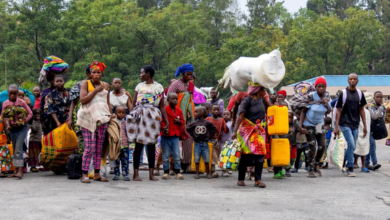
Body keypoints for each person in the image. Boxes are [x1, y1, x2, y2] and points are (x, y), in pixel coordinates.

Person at [127, 65, 169, 181]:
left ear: (148, 74)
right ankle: (136, 174)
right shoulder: (139, 86)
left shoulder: (158, 87)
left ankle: (151, 174)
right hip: (139, 114)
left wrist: (166, 122)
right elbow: (134, 102)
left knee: (151, 144)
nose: (140, 75)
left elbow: (162, 106)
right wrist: (130, 116)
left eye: (142, 73)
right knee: (138, 144)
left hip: (153, 116)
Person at [77, 62, 113, 184]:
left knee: (99, 148)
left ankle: (97, 173)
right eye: (94, 72)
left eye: (99, 72)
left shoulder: (105, 85)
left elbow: (107, 102)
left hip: (102, 119)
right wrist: (96, 90)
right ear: (90, 74)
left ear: (102, 74)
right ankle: (84, 174)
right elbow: (83, 100)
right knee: (89, 147)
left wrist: (109, 115)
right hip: (88, 118)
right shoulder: (85, 84)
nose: (96, 75)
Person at [232, 82, 271, 188]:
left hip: (258, 131)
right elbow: (240, 116)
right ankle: (241, 179)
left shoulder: (262, 100)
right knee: (245, 155)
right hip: (246, 131)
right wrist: (234, 131)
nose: (265, 92)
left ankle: (258, 180)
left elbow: (270, 110)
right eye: (264, 90)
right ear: (258, 90)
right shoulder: (246, 100)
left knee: (260, 155)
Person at [334, 73, 367, 177]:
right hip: (344, 123)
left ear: (357, 81)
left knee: (351, 147)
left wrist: (365, 125)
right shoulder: (343, 93)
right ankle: (350, 168)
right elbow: (338, 110)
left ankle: (344, 162)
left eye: (355, 79)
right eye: (351, 79)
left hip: (355, 123)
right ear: (348, 81)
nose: (353, 81)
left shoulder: (360, 93)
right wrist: (336, 126)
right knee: (352, 144)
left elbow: (361, 109)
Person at [299, 77, 331, 178]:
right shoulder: (311, 96)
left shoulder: (327, 96)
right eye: (319, 86)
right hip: (308, 123)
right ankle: (311, 169)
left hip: (319, 124)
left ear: (325, 87)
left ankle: (316, 164)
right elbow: (303, 111)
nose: (321, 88)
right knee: (312, 146)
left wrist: (326, 104)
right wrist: (300, 126)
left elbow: (328, 111)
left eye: (323, 86)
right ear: (315, 87)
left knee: (322, 146)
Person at [1, 84, 33, 179]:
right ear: (8, 94)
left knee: (18, 148)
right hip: (12, 129)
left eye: (15, 94)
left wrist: (23, 121)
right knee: (15, 149)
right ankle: (16, 170)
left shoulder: (22, 102)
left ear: (17, 93)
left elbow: (30, 113)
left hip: (22, 128)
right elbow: (3, 116)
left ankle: (20, 171)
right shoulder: (5, 103)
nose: (13, 96)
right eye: (11, 94)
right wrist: (7, 124)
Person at [168, 63, 195, 171]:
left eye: (191, 75)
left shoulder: (191, 85)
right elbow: (169, 99)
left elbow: (190, 99)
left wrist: (190, 111)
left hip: (188, 115)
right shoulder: (175, 84)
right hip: (176, 115)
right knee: (174, 139)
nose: (189, 77)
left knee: (188, 138)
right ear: (183, 74)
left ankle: (186, 163)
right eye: (187, 74)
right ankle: (173, 164)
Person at [39, 56, 69, 135]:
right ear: (51, 81)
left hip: (66, 120)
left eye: (61, 81)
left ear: (64, 82)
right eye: (55, 80)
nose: (59, 83)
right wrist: (42, 120)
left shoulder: (68, 92)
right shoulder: (48, 92)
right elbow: (42, 106)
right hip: (50, 120)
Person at [186, 106, 217, 179]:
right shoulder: (194, 123)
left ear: (202, 113)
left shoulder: (207, 123)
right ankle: (197, 173)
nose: (195, 113)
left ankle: (208, 173)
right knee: (197, 159)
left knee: (206, 159)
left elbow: (214, 129)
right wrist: (193, 135)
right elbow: (187, 128)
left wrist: (210, 135)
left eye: (196, 112)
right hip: (196, 143)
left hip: (205, 143)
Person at [160, 93, 185, 180]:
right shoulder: (164, 110)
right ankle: (166, 172)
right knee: (166, 155)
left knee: (177, 154)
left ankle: (177, 172)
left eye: (176, 99)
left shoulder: (179, 111)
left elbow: (182, 121)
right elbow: (161, 121)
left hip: (175, 135)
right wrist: (164, 128)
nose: (175, 100)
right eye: (173, 99)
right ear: (168, 100)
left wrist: (179, 121)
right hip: (166, 135)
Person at [206, 104, 228, 178]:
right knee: (212, 156)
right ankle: (212, 170)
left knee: (217, 155)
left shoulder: (221, 120)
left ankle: (223, 169)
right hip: (209, 141)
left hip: (217, 141)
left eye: (217, 110)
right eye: (214, 109)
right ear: (211, 111)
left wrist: (227, 126)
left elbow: (226, 130)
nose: (216, 111)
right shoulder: (208, 119)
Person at [366, 91, 385, 171]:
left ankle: (366, 163)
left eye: (381, 97)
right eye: (377, 97)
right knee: (372, 145)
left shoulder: (382, 107)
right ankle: (374, 163)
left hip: (376, 129)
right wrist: (380, 109)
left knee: (369, 146)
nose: (379, 98)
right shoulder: (371, 106)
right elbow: (374, 116)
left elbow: (382, 118)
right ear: (374, 98)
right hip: (368, 128)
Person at [112, 106, 130, 181]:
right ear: (115, 113)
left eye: (123, 113)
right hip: (116, 145)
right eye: (119, 112)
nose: (121, 114)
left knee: (125, 161)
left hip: (125, 145)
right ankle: (116, 174)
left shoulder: (126, 122)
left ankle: (125, 174)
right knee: (116, 161)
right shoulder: (113, 122)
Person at [285, 112, 300, 177]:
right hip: (286, 143)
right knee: (287, 157)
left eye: (290, 117)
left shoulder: (295, 125)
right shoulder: (283, 125)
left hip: (293, 143)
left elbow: (300, 130)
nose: (289, 119)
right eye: (287, 117)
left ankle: (289, 166)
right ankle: (287, 169)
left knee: (293, 158)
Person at [221, 110, 233, 176]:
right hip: (222, 142)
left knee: (229, 156)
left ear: (230, 116)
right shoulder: (220, 122)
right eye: (224, 114)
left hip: (229, 142)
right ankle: (224, 170)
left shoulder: (231, 123)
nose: (226, 115)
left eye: (227, 114)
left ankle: (229, 168)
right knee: (223, 156)